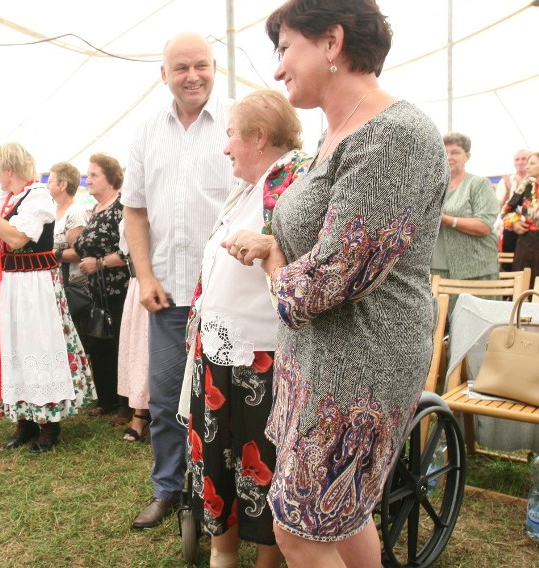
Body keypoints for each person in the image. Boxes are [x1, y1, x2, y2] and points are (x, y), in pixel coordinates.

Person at [243, 2, 449, 565]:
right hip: (317, 359)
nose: (278, 68)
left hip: (360, 366)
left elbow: (322, 284)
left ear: (331, 42)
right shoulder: (335, 133)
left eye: (285, 49)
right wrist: (277, 251)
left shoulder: (393, 137)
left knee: (300, 531)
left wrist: (274, 262)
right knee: (341, 516)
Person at [185, 89, 309, 568]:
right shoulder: (247, 190)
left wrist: (271, 243)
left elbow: (312, 258)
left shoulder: (297, 182)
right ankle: (223, 556)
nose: (225, 146)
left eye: (232, 134)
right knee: (219, 461)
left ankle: (266, 563)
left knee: (263, 467)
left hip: (263, 354)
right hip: (220, 348)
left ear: (259, 137)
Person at [121, 32, 236, 529]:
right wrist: (144, 276)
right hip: (166, 296)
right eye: (181, 67)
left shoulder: (240, 122)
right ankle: (167, 487)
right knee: (167, 399)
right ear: (163, 74)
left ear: (215, 66)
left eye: (202, 66)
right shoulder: (147, 130)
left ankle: (228, 492)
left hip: (227, 295)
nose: (193, 76)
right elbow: (135, 211)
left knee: (230, 401)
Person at [0, 142, 95, 453]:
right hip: (8, 284)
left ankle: (48, 422)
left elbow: (17, 239)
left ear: (9, 169)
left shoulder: (38, 196)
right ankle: (24, 419)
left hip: (34, 284)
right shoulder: (5, 199)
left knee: (37, 344)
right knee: (15, 347)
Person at [73, 153, 131, 424]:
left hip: (118, 290)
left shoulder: (121, 206)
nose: (89, 180)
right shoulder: (95, 210)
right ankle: (106, 399)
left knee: (120, 346)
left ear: (111, 179)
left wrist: (99, 263)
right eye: (88, 174)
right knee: (100, 343)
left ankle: (125, 405)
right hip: (96, 292)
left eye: (95, 175)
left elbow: (130, 250)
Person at [431, 133, 499, 302]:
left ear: (467, 156)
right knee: (441, 324)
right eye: (444, 152)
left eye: (455, 152)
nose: (449, 157)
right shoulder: (433, 186)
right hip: (437, 268)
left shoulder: (478, 184)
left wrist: (447, 220)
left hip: (474, 269)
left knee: (474, 323)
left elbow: (485, 226)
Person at [117, 218, 150, 442]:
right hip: (141, 281)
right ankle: (140, 414)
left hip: (172, 280)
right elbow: (127, 245)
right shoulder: (134, 209)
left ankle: (167, 415)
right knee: (140, 350)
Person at [49, 162, 90, 337]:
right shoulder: (52, 210)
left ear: (63, 184)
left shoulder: (75, 212)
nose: (47, 185)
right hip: (55, 285)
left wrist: (53, 254)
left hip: (70, 288)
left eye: (50, 181)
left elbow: (80, 252)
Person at [502, 151, 539, 280]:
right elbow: (506, 209)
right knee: (525, 281)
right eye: (527, 163)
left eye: (532, 163)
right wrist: (515, 222)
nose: (527, 166)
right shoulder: (527, 185)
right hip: (527, 241)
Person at [496, 149, 531, 268]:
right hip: (510, 228)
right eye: (517, 159)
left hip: (532, 229)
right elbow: (501, 208)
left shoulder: (534, 180)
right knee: (509, 264)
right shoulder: (506, 181)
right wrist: (507, 191)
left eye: (524, 159)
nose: (520, 162)